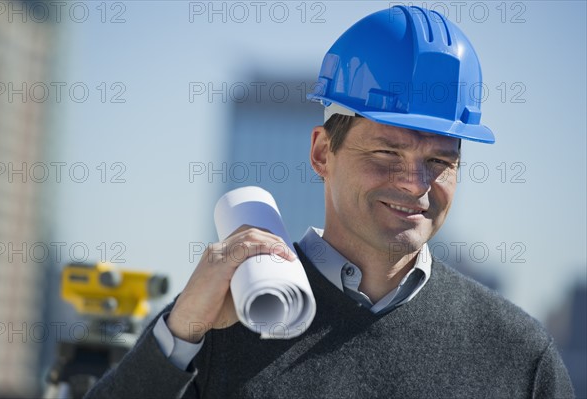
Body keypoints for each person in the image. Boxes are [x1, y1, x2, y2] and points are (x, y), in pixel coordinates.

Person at [86, 6, 574, 398]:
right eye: (387, 152)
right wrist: (181, 331)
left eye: (441, 161)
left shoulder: (518, 355)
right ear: (323, 152)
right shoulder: (226, 318)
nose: (415, 182)